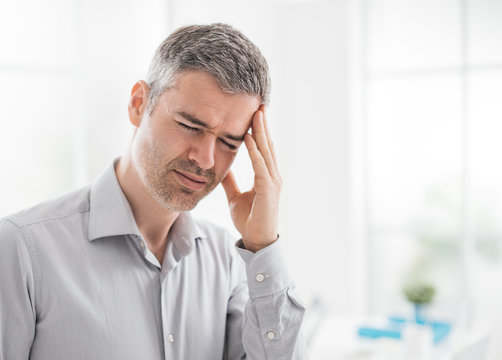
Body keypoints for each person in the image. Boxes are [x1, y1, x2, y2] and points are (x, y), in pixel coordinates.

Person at [0, 23, 307, 359]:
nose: (205, 159)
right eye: (190, 126)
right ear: (138, 104)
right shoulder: (23, 250)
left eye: (228, 142)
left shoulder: (229, 262)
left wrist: (263, 245)